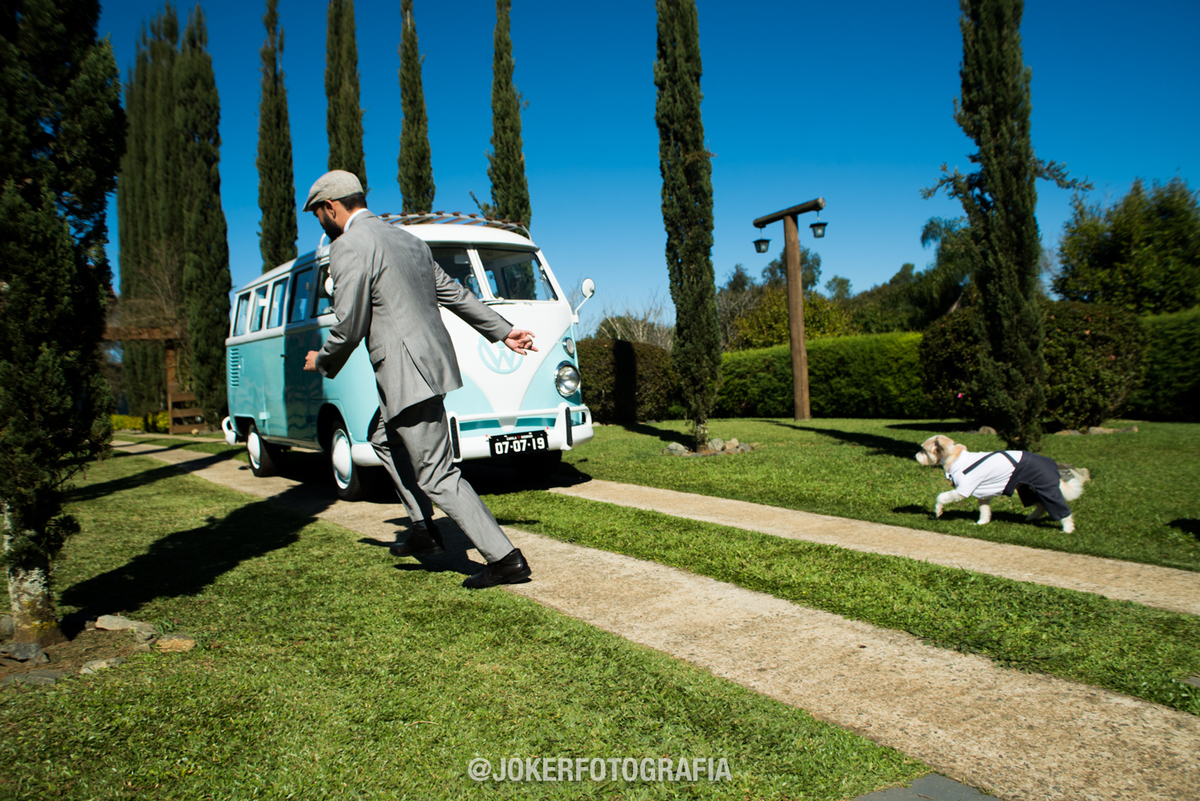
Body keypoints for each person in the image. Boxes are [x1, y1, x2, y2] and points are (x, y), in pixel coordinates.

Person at [300, 170, 536, 589]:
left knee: (437, 475)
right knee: (381, 438)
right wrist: (503, 330)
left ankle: (506, 559)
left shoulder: (348, 246)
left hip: (407, 372)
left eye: (318, 214)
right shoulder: (408, 240)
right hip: (428, 366)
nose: (319, 221)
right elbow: (453, 292)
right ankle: (423, 528)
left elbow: (351, 323)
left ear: (331, 207)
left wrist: (322, 359)